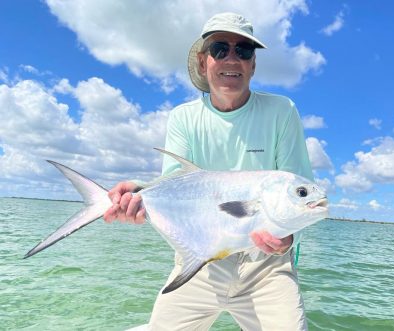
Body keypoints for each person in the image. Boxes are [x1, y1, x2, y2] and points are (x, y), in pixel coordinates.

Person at [104, 12, 313, 331]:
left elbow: (295, 192)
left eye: (244, 50)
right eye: (220, 49)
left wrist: (286, 240)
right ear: (203, 62)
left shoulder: (282, 112)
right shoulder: (182, 118)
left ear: (253, 65)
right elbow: (177, 185)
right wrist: (140, 192)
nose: (232, 58)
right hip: (200, 259)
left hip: (265, 267)